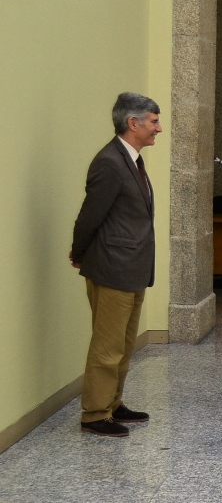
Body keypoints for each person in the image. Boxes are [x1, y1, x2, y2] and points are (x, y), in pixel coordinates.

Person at [70, 92, 162, 437]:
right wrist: (79, 252)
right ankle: (95, 413)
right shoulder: (109, 162)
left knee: (124, 344)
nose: (159, 128)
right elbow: (90, 215)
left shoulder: (133, 160)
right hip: (112, 267)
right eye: (153, 121)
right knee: (107, 346)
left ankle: (113, 402)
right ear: (132, 123)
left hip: (132, 268)